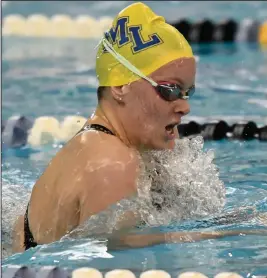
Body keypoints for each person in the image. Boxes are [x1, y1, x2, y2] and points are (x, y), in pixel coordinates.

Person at [12, 2, 266, 254]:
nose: (184, 107)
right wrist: (243, 229)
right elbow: (118, 264)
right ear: (121, 86)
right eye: (170, 90)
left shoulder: (90, 146)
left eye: (187, 92)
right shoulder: (112, 163)